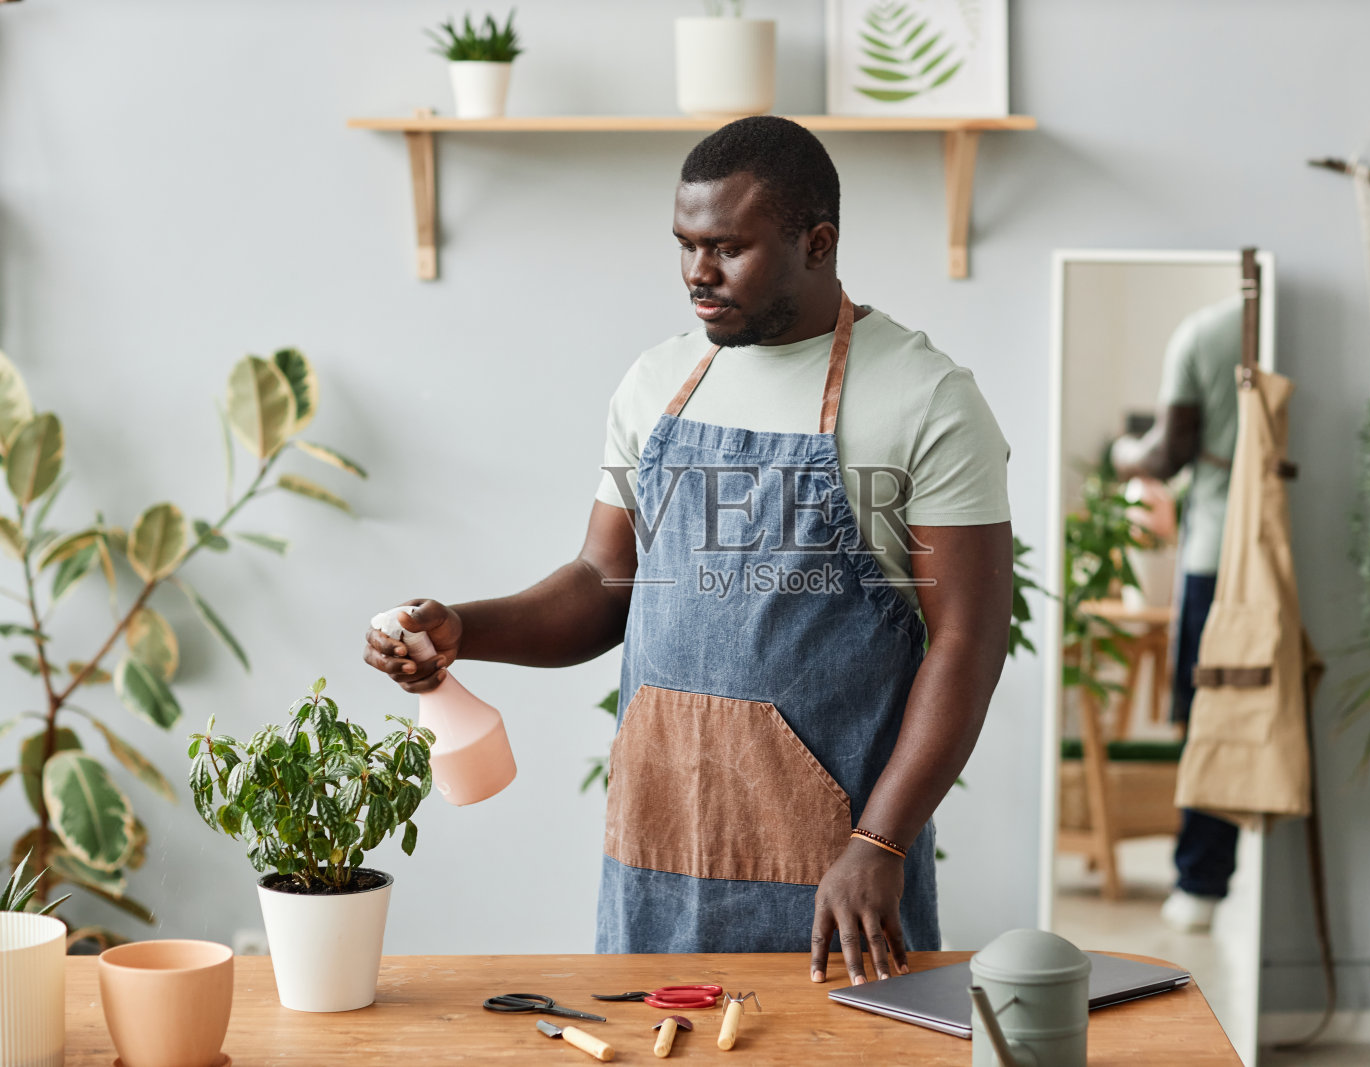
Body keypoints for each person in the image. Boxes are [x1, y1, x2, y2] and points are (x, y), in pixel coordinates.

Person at [362, 117, 1012, 984]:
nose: (698, 274)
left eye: (728, 248)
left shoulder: (925, 399)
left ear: (817, 243)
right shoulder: (656, 383)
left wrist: (881, 840)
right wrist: (461, 630)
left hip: (838, 873)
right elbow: (602, 582)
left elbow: (969, 639)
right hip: (656, 858)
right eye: (686, 245)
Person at [1111, 293, 1243, 934]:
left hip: (1219, 554)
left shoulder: (1206, 332)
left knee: (1207, 714)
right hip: (1301, 547)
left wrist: (1125, 455)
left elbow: (1169, 452)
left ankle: (1202, 884)